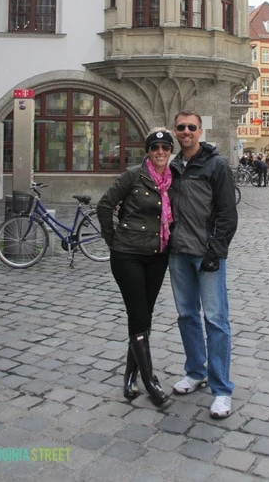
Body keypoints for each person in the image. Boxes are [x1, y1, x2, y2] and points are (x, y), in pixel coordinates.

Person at [96, 129, 174, 407]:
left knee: (144, 316)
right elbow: (104, 206)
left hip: (157, 255)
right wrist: (112, 239)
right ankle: (150, 381)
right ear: (148, 151)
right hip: (127, 254)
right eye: (155, 147)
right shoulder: (133, 175)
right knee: (138, 313)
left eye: (165, 147)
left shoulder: (173, 179)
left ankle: (130, 377)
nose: (160, 152)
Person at [168, 110, 238, 419]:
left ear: (200, 131)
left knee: (216, 320)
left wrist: (216, 250)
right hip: (179, 253)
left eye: (191, 127)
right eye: (181, 127)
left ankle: (221, 389)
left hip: (207, 254)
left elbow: (228, 214)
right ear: (175, 130)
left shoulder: (216, 165)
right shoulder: (171, 167)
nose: (186, 131)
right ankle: (195, 371)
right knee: (186, 316)